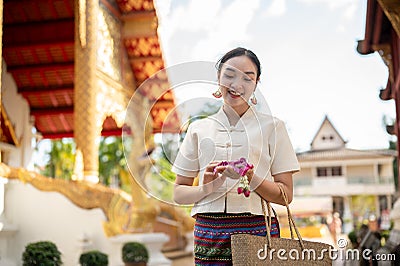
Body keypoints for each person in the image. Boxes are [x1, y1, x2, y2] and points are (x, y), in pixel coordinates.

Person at [172, 47, 300, 265]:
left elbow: (285, 195)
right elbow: (179, 193)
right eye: (229, 75)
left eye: (247, 78)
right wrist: (207, 188)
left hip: (259, 231)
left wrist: (251, 176)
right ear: (218, 78)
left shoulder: (273, 127)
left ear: (256, 83)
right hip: (208, 235)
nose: (237, 85)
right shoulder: (198, 129)